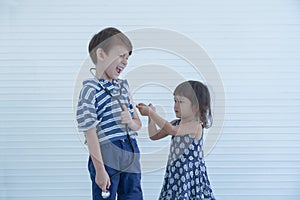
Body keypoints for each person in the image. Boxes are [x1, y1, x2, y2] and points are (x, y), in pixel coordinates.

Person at [76, 27, 143, 200]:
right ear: (101, 54)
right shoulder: (90, 90)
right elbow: (90, 133)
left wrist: (130, 121)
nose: (125, 61)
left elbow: (138, 124)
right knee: (106, 196)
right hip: (106, 151)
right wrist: (100, 170)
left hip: (130, 149)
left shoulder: (124, 86)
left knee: (133, 195)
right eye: (121, 55)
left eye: (127, 58)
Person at [137, 80, 216, 199]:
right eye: (175, 101)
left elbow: (172, 131)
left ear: (196, 106)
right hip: (175, 173)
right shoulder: (176, 123)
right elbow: (154, 135)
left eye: (181, 102)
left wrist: (151, 113)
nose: (176, 106)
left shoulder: (195, 125)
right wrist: (150, 116)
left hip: (189, 175)